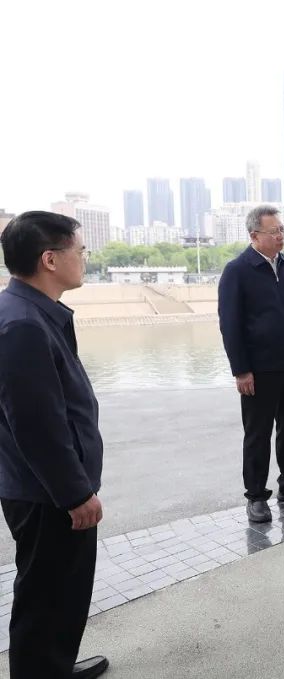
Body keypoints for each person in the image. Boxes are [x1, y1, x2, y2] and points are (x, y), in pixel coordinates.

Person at [0, 212, 109, 679]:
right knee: (46, 597)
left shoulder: (30, 312)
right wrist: (75, 494)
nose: (84, 259)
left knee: (59, 593)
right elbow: (36, 425)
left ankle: (53, 668)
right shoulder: (24, 324)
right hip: (47, 494)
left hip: (44, 487)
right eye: (79, 251)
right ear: (50, 259)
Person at [218, 205, 284, 525]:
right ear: (254, 236)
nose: (280, 236)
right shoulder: (237, 270)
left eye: (282, 230)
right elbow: (230, 324)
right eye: (273, 231)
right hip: (259, 369)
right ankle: (256, 497)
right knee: (258, 433)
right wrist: (241, 370)